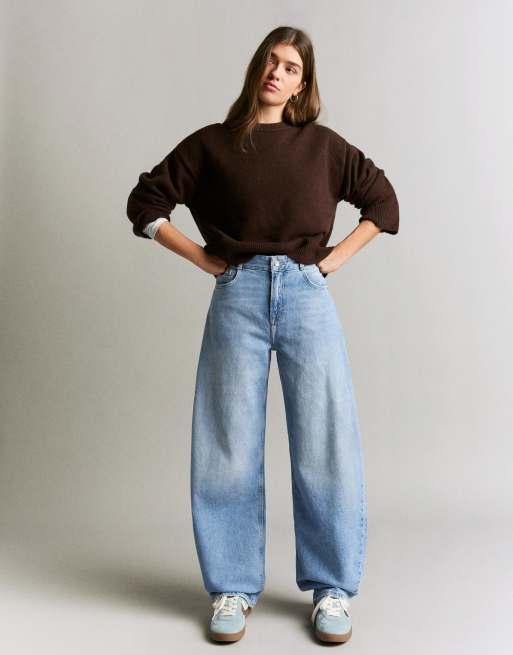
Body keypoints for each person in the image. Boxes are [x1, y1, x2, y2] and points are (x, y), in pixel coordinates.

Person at [125, 26, 399, 644]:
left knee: (325, 440)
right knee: (227, 441)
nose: (278, 73)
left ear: (303, 84)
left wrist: (327, 263)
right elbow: (145, 203)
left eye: (292, 68)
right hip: (238, 295)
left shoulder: (323, 146)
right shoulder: (211, 145)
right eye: (272, 62)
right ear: (257, 68)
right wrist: (203, 259)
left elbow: (383, 203)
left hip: (306, 295)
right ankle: (231, 586)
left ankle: (332, 589)